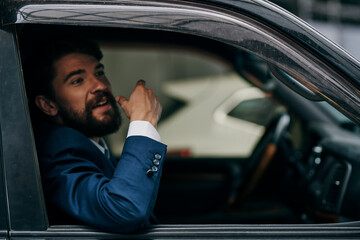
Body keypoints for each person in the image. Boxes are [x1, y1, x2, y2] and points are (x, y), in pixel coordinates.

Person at [23, 38, 167, 233]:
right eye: (77, 80)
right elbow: (123, 209)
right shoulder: (57, 151)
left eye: (99, 72)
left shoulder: (90, 142)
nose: (99, 85)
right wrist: (143, 122)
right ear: (48, 105)